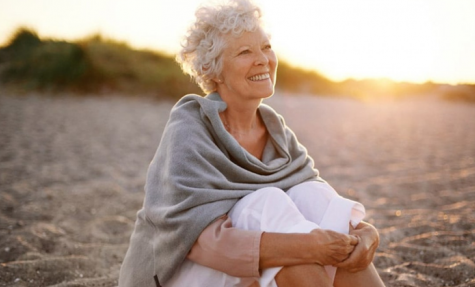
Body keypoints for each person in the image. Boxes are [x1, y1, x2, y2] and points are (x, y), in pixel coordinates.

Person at [118, 0, 385, 286]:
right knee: (265, 203)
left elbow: (321, 204)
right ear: (215, 71)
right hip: (178, 270)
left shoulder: (275, 130)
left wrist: (366, 233)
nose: (263, 59)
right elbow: (198, 241)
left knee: (310, 192)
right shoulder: (190, 128)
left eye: (266, 47)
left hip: (250, 267)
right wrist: (307, 246)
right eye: (245, 51)